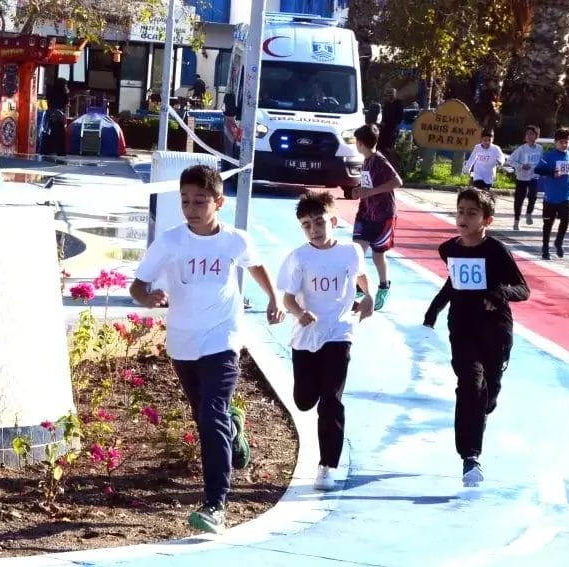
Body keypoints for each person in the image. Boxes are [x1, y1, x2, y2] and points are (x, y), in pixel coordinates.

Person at [129, 164, 284, 534]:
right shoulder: (169, 242)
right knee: (207, 416)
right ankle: (234, 427)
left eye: (200, 201)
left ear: (219, 202)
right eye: (185, 200)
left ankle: (216, 503)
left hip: (223, 337)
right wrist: (147, 298)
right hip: (183, 341)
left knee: (210, 412)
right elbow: (138, 285)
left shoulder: (234, 240)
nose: (191, 208)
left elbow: (256, 265)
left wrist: (274, 298)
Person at [423, 188, 529, 487]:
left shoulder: (496, 251)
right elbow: (453, 283)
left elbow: (523, 290)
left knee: (488, 393)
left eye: (472, 213)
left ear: (487, 220)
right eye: (460, 211)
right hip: (462, 327)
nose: (464, 218)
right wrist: (433, 311)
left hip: (495, 329)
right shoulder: (448, 249)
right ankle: (470, 456)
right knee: (470, 385)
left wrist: (498, 294)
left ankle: (486, 403)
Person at [278, 191, 374, 491]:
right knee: (305, 400)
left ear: (333, 221)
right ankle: (310, 390)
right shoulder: (299, 257)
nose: (314, 229)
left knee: (331, 399)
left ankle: (327, 466)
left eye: (319, 222)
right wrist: (300, 313)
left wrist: (368, 296)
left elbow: (360, 276)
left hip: (339, 332)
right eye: (306, 225)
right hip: (306, 336)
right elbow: (288, 298)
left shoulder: (350, 252)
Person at [352, 124, 403, 311]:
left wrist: (371, 192)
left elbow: (397, 181)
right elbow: (369, 184)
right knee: (356, 251)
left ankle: (383, 285)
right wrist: (359, 191)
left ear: (360, 143)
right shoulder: (366, 161)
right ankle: (359, 286)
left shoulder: (380, 160)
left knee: (378, 255)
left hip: (383, 214)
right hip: (365, 212)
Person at [534, 127, 569, 260]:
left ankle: (559, 242)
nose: (564, 145)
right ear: (555, 142)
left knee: (565, 220)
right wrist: (552, 173)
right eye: (561, 142)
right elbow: (537, 170)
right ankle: (545, 249)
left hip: (566, 194)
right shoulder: (548, 156)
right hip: (551, 196)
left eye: (567, 142)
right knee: (548, 223)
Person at [507, 125, 543, 230]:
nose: (528, 136)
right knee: (519, 200)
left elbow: (541, 161)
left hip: (533, 177)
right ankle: (516, 221)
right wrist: (521, 166)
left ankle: (529, 213)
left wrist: (542, 170)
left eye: (531, 134)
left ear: (536, 136)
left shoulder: (539, 148)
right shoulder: (521, 149)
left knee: (533, 197)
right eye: (527, 134)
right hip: (522, 177)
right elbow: (510, 161)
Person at [44, 78, 69, 155]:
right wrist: (67, 93)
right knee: (60, 133)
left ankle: (48, 150)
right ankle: (60, 151)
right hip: (59, 114)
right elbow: (65, 102)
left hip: (51, 113)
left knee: (52, 131)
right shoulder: (63, 93)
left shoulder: (51, 91)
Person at [377, 87, 403, 152]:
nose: (390, 96)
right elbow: (384, 114)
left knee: (391, 136)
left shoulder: (398, 103)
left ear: (394, 95)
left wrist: (396, 124)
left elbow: (400, 116)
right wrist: (383, 122)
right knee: (381, 135)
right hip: (386, 124)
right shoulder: (386, 103)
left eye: (392, 95)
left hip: (394, 125)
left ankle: (389, 150)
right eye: (389, 95)